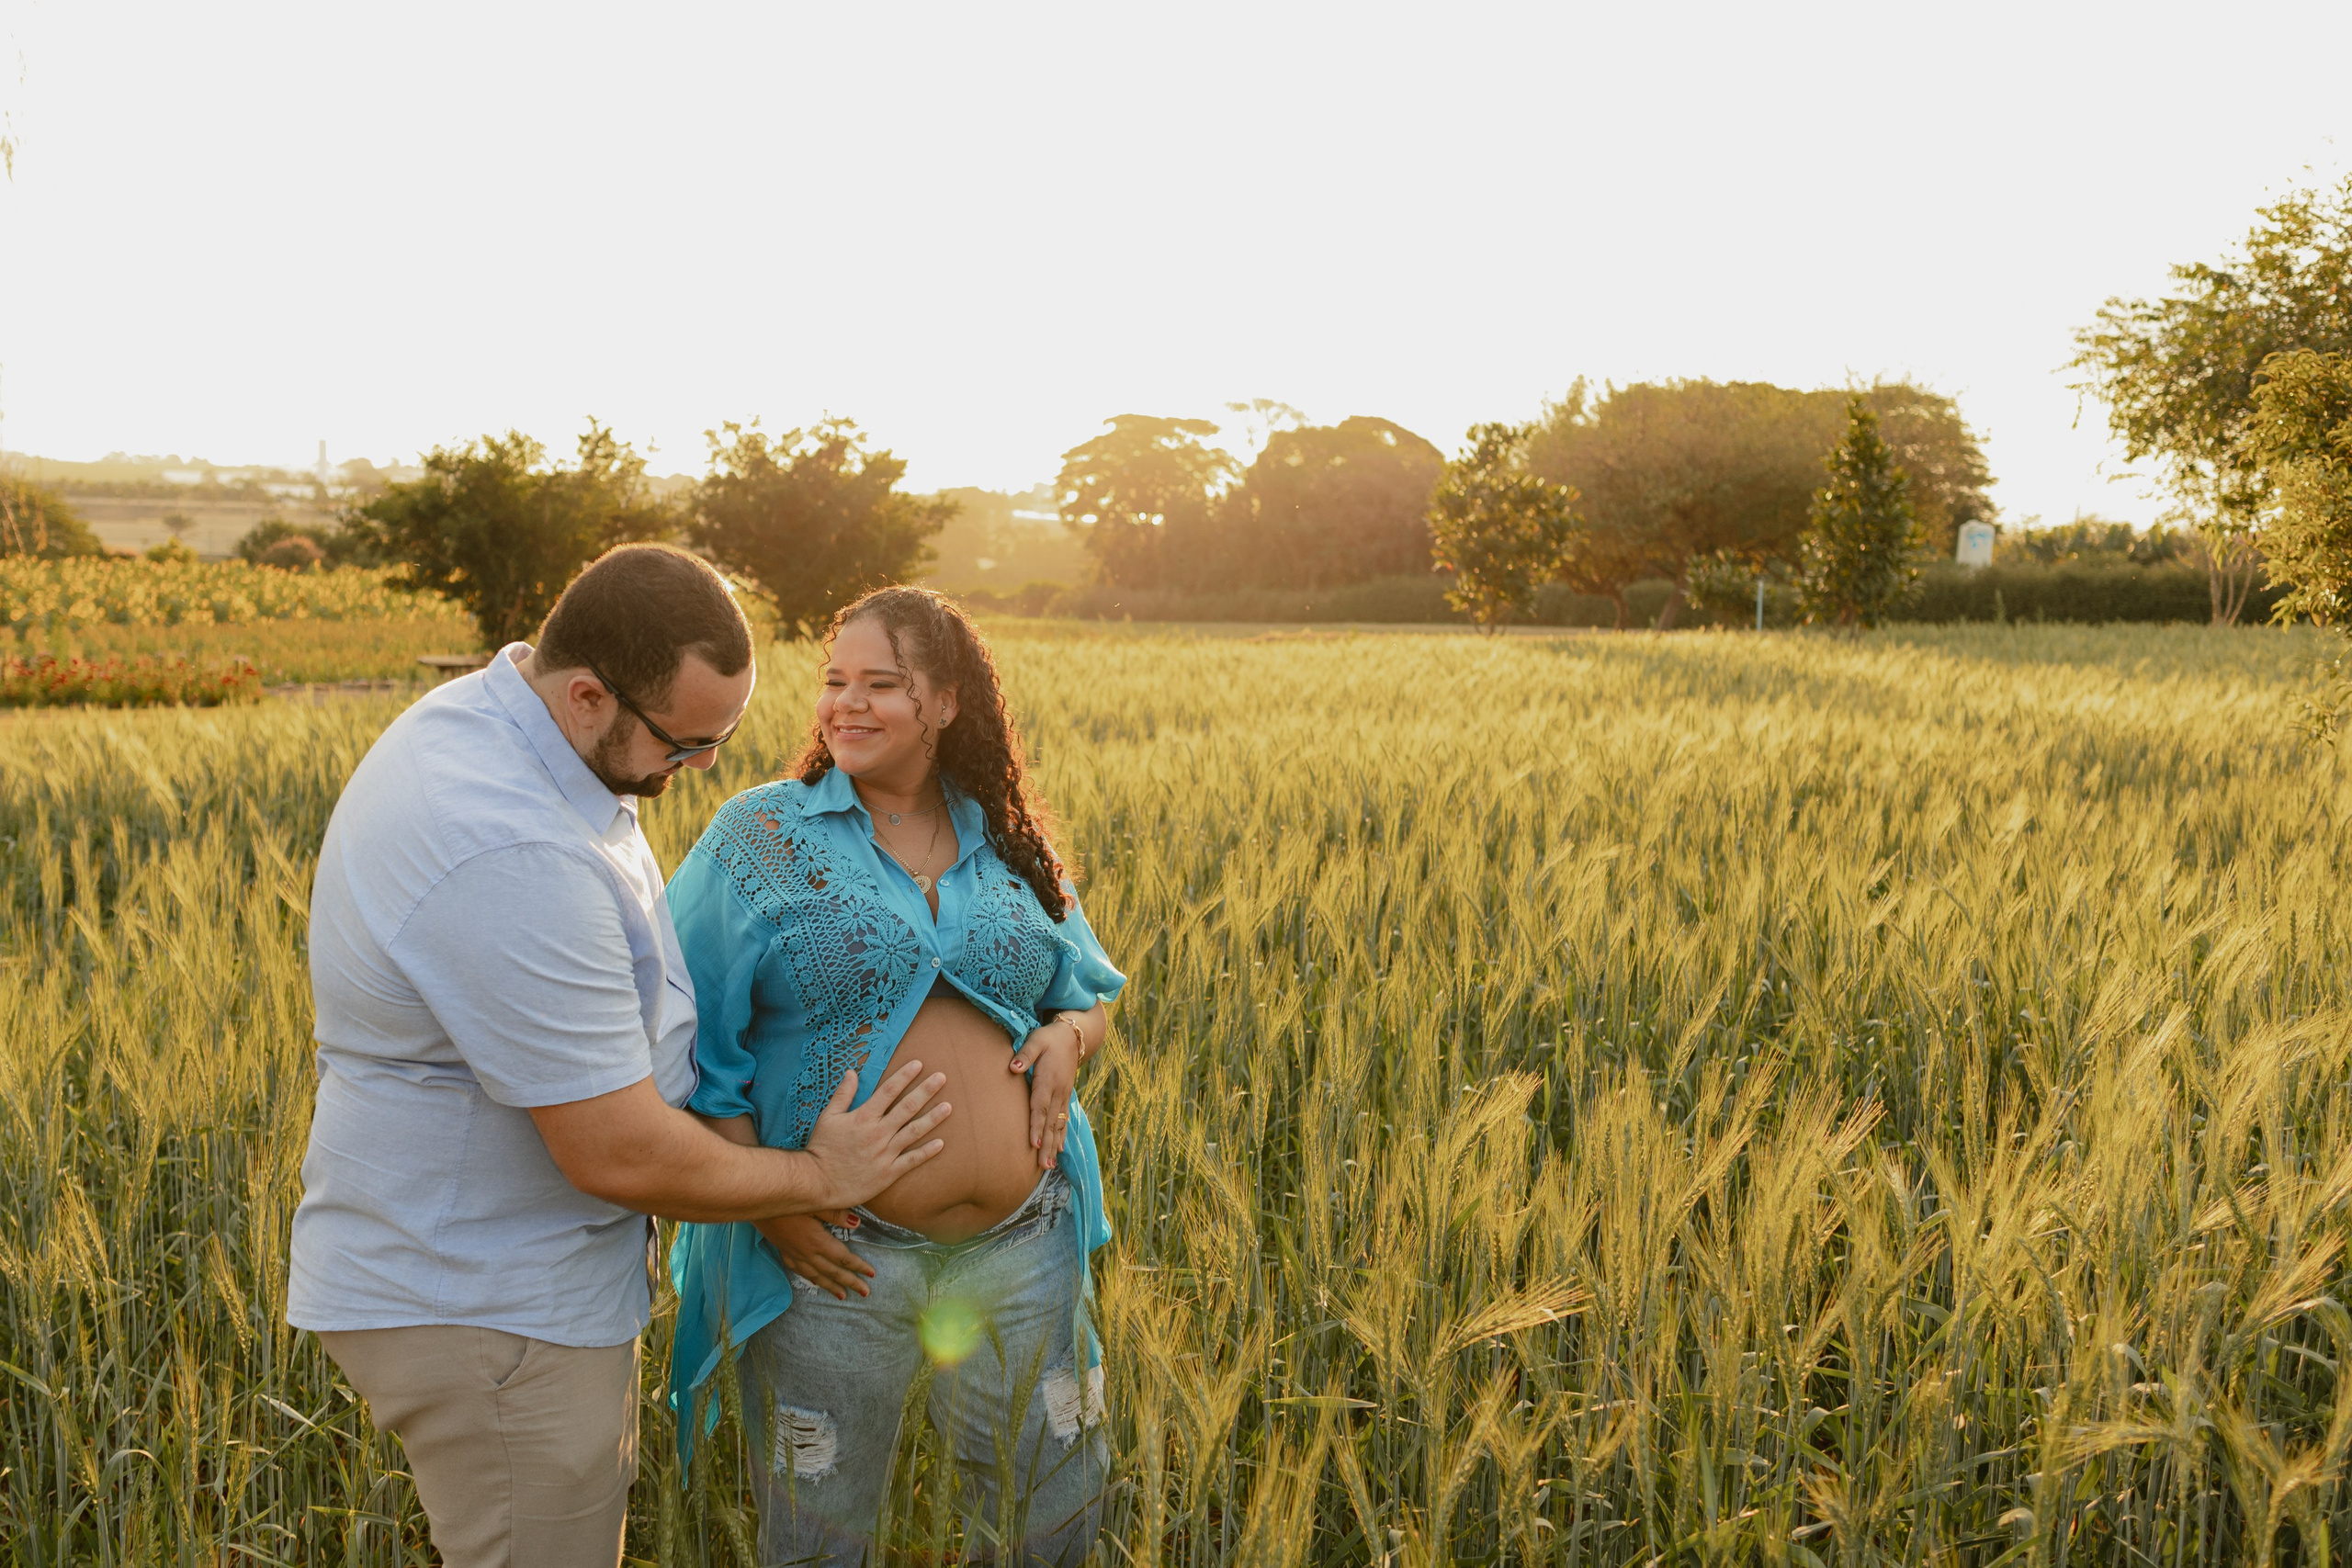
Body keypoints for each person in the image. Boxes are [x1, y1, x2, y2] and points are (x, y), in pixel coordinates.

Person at [287, 545, 953, 1568]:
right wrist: (818, 1176)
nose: (704, 770)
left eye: (721, 738)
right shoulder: (509, 848)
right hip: (492, 1307)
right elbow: (617, 1153)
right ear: (589, 693)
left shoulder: (508, 718)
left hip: (493, 1281)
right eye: (685, 743)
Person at [666, 586, 1125, 1567]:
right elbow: (688, 1041)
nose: (847, 705)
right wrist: (772, 1210)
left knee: (1046, 1528)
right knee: (821, 1538)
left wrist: (1072, 1037)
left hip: (1025, 1243)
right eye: (835, 682)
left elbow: (1085, 988)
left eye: (882, 684)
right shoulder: (761, 839)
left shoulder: (1009, 837)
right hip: (838, 1255)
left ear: (947, 703)